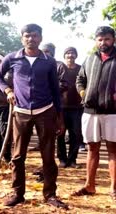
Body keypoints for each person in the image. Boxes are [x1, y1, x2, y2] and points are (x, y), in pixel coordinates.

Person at [0, 24, 68, 209]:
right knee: (18, 156)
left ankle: (50, 195)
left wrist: (60, 117)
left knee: (48, 156)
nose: (31, 39)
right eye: (27, 36)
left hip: (46, 111)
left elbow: (55, 90)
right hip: (21, 112)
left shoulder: (49, 61)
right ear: (22, 39)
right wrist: (8, 90)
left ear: (40, 38)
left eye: (35, 36)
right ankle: (18, 194)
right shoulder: (13, 58)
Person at [72, 26, 116, 200]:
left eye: (106, 39)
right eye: (99, 39)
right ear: (95, 41)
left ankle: (114, 188)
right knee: (92, 148)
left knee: (113, 150)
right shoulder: (90, 59)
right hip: (90, 111)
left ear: (113, 39)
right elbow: (79, 79)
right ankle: (89, 186)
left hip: (113, 112)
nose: (103, 42)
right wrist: (84, 93)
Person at [56, 47, 83, 168]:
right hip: (61, 107)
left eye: (72, 53)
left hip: (77, 107)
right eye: (67, 53)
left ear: (76, 55)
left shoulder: (80, 69)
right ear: (64, 56)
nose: (70, 55)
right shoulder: (59, 68)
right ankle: (62, 159)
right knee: (60, 134)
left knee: (75, 134)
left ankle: (72, 160)